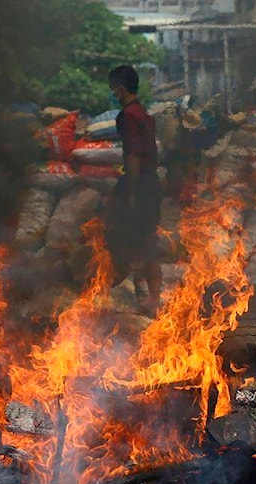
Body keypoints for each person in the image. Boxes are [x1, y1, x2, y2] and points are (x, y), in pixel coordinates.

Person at [106, 65, 162, 315]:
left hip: (139, 184)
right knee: (147, 240)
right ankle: (152, 297)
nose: (112, 92)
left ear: (120, 88)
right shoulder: (144, 113)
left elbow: (134, 153)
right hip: (151, 183)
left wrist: (130, 189)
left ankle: (127, 294)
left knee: (119, 238)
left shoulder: (127, 116)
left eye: (112, 88)